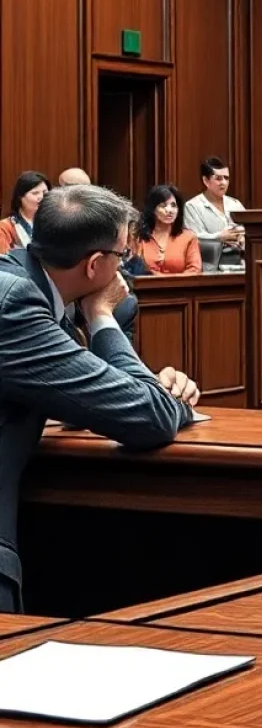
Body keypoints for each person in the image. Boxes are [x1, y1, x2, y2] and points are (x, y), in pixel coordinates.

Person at [0, 185, 199, 612]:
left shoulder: (25, 284)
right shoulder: (17, 306)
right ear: (94, 265)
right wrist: (102, 315)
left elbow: (88, 391)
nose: (126, 267)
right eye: (123, 256)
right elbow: (150, 417)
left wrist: (146, 381)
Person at [183, 157, 245, 253]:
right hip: (210, 264)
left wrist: (241, 237)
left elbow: (248, 231)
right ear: (206, 181)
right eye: (218, 178)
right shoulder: (192, 206)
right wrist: (219, 237)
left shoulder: (235, 204)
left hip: (239, 262)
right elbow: (194, 238)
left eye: (226, 178)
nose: (224, 183)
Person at [136, 185, 201, 275]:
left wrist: (170, 282)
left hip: (180, 287)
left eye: (173, 205)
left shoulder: (189, 237)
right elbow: (134, 269)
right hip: (147, 287)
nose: (169, 210)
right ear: (152, 209)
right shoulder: (140, 237)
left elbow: (194, 270)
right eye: (163, 206)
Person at [0, 171, 51, 254]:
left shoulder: (54, 222)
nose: (41, 197)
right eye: (35, 193)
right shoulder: (5, 227)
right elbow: (3, 262)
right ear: (20, 197)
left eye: (45, 193)